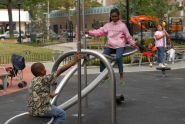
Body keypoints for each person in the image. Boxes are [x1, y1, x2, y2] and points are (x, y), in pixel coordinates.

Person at [27, 53, 83, 124]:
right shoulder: (44, 79)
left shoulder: (33, 81)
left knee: (53, 108)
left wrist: (49, 95)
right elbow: (60, 70)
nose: (45, 70)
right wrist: (74, 61)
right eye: (44, 69)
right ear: (42, 71)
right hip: (41, 110)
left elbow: (37, 93)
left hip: (32, 110)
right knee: (62, 114)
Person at [85, 8, 137, 84]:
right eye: (112, 16)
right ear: (110, 16)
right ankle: (104, 75)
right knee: (102, 57)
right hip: (110, 46)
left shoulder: (122, 26)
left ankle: (121, 75)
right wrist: (89, 32)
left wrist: (134, 44)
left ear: (118, 16)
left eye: (115, 16)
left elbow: (128, 36)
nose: (114, 18)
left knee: (118, 57)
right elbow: (99, 31)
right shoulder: (108, 25)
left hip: (120, 46)